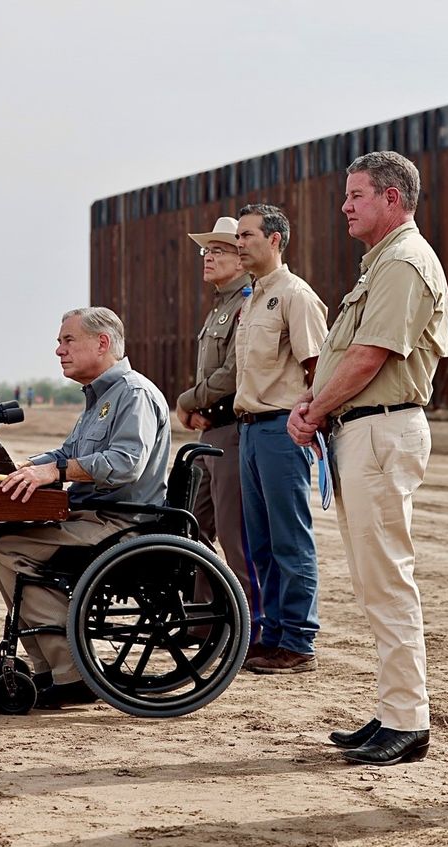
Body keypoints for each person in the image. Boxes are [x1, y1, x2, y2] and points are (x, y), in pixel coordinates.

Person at [288, 150, 448, 765]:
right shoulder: (381, 263)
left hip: (381, 432)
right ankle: (393, 712)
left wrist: (315, 409)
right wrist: (317, 404)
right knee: (372, 579)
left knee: (386, 579)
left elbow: (370, 356)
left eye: (357, 195)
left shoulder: (404, 262)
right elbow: (345, 356)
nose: (345, 205)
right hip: (362, 431)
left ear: (392, 198)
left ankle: (407, 720)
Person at [0, 306, 171, 708]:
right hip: (92, 516)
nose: (58, 350)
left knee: (9, 548)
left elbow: (125, 464)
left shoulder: (133, 394)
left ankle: (71, 673)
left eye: (67, 340)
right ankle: (52, 670)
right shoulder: (101, 397)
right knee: (4, 537)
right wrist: (24, 467)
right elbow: (67, 453)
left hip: (121, 523)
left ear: (102, 343)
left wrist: (54, 471)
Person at [234, 203, 328, 674]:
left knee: (290, 538)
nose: (238, 243)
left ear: (274, 239)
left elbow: (318, 370)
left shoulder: (296, 296)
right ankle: (271, 635)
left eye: (248, 234)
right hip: (250, 429)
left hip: (280, 429)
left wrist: (311, 424)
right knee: (261, 542)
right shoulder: (252, 299)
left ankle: (298, 640)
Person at [176, 217, 261, 642]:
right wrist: (196, 411)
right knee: (196, 529)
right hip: (210, 432)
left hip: (230, 432)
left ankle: (243, 630)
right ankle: (202, 624)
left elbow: (231, 374)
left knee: (234, 535)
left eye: (219, 250)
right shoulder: (220, 306)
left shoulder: (247, 302)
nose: (208, 257)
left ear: (242, 260)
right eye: (205, 250)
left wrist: (188, 401)